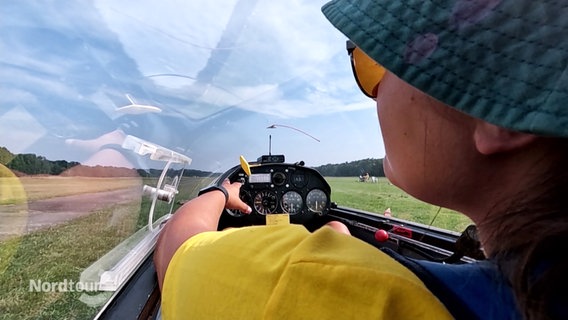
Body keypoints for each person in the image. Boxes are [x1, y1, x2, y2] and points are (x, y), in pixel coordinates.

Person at [154, 0, 568, 319]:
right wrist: (338, 240)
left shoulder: (326, 287)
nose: (374, 95)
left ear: (496, 109)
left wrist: (221, 193)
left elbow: (180, 250)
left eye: (372, 66)